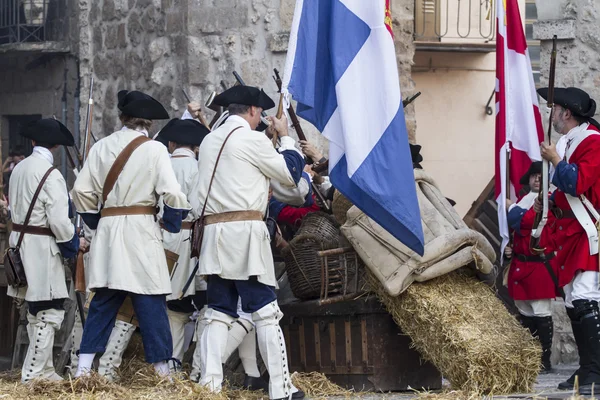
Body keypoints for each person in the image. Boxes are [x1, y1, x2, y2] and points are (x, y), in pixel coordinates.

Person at [192, 85, 305, 400]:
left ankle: (209, 386)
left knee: (217, 311)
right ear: (253, 111)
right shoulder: (253, 139)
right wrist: (284, 137)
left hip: (214, 235)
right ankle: (281, 389)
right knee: (266, 312)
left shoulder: (209, 140)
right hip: (244, 236)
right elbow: (290, 173)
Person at [71, 90, 191, 378]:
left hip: (110, 231)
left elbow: (80, 192)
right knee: (150, 302)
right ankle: (163, 372)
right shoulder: (155, 149)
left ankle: (83, 370)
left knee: (103, 302)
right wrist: (173, 222)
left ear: (122, 117)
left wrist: (97, 221)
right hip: (141, 230)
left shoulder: (101, 147)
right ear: (147, 121)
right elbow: (172, 193)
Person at [7, 119, 85, 382]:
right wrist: (71, 245)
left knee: (34, 310)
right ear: (56, 147)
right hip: (41, 248)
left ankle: (47, 370)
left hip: (19, 244)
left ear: (32, 142)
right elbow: (60, 221)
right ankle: (32, 374)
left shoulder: (19, 168)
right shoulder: (51, 174)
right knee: (49, 311)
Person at [537, 87, 600, 395]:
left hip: (588, 228)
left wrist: (556, 160)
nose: (552, 115)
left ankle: (596, 369)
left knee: (586, 295)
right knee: (575, 298)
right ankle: (588, 366)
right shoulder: (569, 143)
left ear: (567, 112)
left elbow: (578, 183)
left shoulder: (592, 143)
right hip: (571, 230)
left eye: (555, 109)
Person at [157, 117, 209, 365]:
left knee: (170, 303)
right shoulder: (198, 168)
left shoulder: (160, 164)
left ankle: (171, 362)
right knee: (196, 304)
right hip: (190, 239)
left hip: (160, 237)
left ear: (172, 143)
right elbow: (200, 208)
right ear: (195, 146)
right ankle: (190, 364)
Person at [506, 161, 557, 373]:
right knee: (525, 314)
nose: (537, 179)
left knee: (541, 313)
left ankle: (544, 360)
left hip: (540, 267)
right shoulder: (523, 201)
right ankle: (530, 359)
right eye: (534, 175)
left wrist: (516, 212)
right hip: (520, 266)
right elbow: (514, 223)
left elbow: (525, 222)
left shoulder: (554, 200)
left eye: (541, 175)